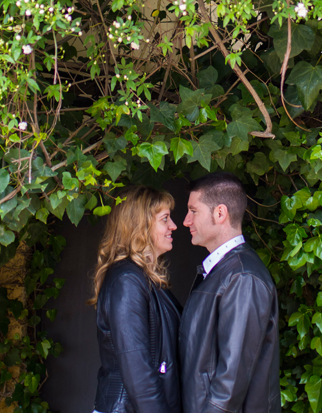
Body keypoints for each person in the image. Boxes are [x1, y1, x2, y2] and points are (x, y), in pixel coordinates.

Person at [179, 172, 280, 413]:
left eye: (193, 211)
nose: (185, 221)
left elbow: (230, 381)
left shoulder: (243, 278)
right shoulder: (225, 272)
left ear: (220, 213)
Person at [91, 186, 183, 413]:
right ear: (141, 226)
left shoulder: (143, 279)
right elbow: (137, 370)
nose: (174, 226)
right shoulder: (127, 280)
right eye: (165, 219)